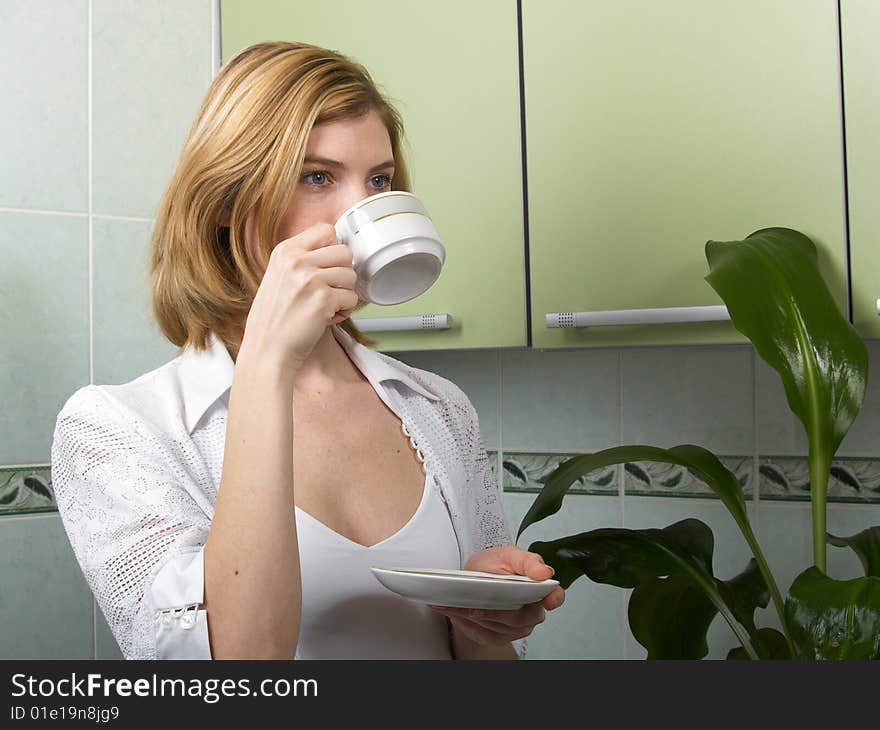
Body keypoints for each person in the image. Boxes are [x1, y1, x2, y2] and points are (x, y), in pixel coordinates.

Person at [50, 41, 565, 660]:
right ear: (224, 202)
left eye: (378, 181)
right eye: (317, 177)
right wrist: (268, 364)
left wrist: (478, 624)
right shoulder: (117, 430)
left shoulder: (440, 409)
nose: (360, 212)